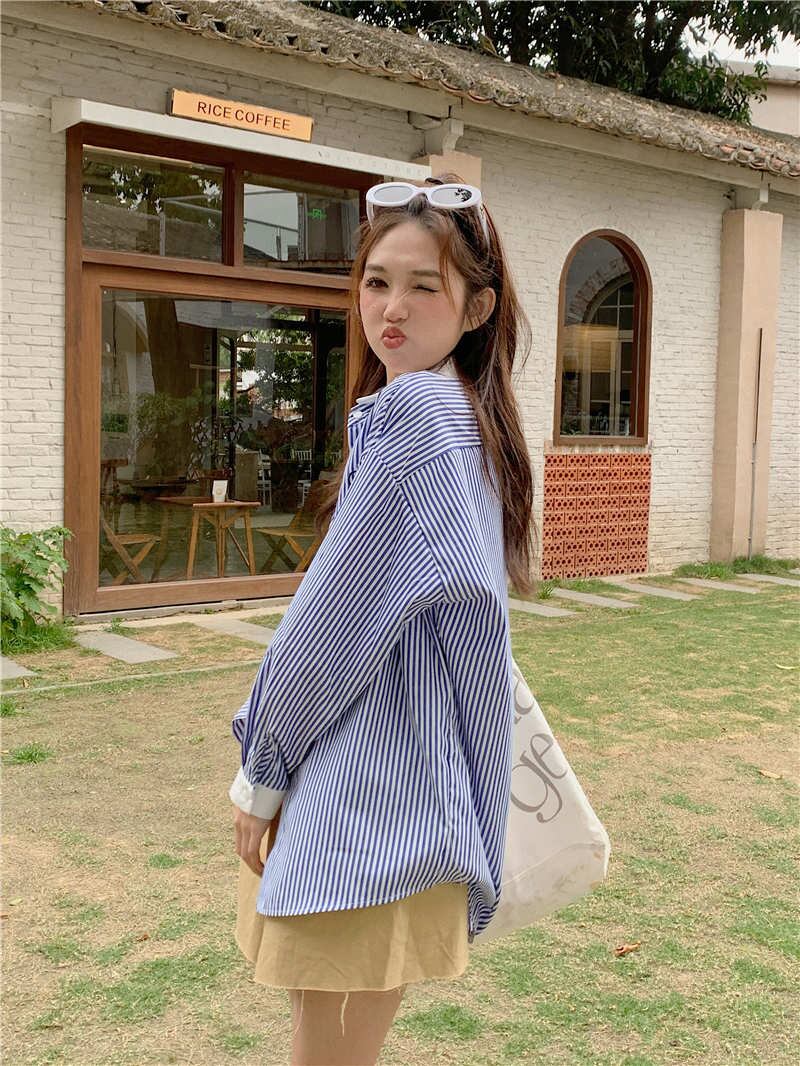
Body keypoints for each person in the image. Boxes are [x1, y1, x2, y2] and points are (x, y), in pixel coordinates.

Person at [230, 173, 535, 1066]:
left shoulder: (414, 413)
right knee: (348, 1027)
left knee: (321, 1034)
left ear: (477, 307)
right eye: (376, 281)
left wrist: (261, 771)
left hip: (363, 788)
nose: (391, 308)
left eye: (423, 286)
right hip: (421, 785)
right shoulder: (468, 417)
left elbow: (332, 624)